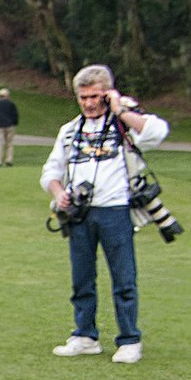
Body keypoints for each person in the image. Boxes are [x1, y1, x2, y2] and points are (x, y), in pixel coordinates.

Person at [41, 64, 169, 364]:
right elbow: (51, 171)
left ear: (107, 93)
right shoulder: (70, 131)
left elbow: (157, 132)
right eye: (82, 97)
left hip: (116, 211)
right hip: (80, 214)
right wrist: (59, 193)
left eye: (95, 96)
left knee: (124, 278)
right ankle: (85, 335)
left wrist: (121, 109)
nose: (88, 103)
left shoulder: (123, 125)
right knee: (81, 278)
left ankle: (129, 339)